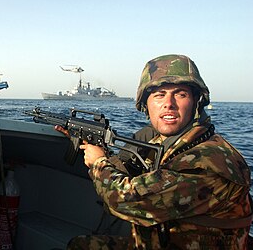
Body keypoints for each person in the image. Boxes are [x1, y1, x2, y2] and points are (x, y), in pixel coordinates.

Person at [58, 54, 252, 249]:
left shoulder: (207, 162)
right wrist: (91, 141)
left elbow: (125, 201)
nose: (169, 103)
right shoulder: (172, 142)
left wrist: (98, 161)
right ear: (146, 104)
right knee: (80, 244)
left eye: (180, 94)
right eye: (159, 95)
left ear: (195, 102)